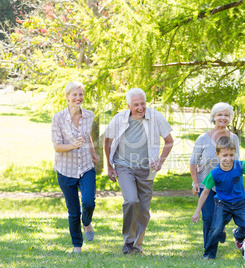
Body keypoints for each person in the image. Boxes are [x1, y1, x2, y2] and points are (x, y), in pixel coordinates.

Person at [104, 88, 173, 254]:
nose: (140, 108)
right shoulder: (119, 118)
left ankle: (137, 246)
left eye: (143, 103)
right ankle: (128, 241)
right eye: (136, 105)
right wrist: (109, 166)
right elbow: (107, 140)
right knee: (131, 200)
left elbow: (169, 141)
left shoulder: (155, 117)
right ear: (129, 105)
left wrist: (160, 161)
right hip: (124, 166)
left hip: (146, 169)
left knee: (143, 210)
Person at [51, 81, 100, 253]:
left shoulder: (89, 115)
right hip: (66, 170)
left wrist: (93, 152)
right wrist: (73, 145)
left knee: (88, 203)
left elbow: (87, 138)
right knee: (73, 211)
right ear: (67, 97)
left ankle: (87, 222)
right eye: (74, 95)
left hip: (86, 166)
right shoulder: (58, 118)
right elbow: (57, 146)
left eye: (80, 94)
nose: (78, 98)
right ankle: (77, 246)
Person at [189, 102, 240, 250]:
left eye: (226, 115)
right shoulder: (203, 138)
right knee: (208, 217)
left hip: (226, 185)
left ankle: (221, 227)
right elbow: (193, 162)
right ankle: (209, 251)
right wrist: (195, 183)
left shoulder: (233, 138)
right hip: (206, 184)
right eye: (220, 115)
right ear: (213, 117)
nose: (223, 118)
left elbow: (236, 162)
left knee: (226, 215)